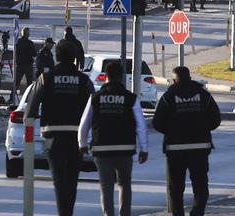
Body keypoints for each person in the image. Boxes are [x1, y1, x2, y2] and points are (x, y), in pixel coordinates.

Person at [27, 40, 95, 216]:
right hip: (76, 134)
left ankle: (62, 213)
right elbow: (94, 105)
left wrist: (31, 118)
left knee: (58, 179)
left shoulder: (46, 77)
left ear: (56, 56)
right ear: (74, 58)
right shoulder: (84, 79)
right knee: (72, 179)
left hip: (52, 133)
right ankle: (68, 213)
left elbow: (32, 106)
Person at [78, 61, 149, 216]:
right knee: (125, 184)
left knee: (106, 186)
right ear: (121, 77)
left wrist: (82, 143)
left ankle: (108, 214)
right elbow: (141, 125)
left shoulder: (95, 98)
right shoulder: (130, 98)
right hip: (125, 149)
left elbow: (84, 123)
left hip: (101, 149)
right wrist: (144, 148)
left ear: (106, 76)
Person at [153, 66, 222, 216]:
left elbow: (157, 122)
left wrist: (172, 132)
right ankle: (197, 212)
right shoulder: (203, 95)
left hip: (175, 149)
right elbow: (216, 118)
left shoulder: (168, 97)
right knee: (200, 186)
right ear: (190, 78)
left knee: (175, 189)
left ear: (174, 80)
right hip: (200, 147)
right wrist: (203, 129)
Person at [12, 27, 37, 103]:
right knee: (29, 83)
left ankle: (11, 97)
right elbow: (34, 54)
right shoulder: (29, 43)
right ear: (27, 34)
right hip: (28, 64)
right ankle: (28, 99)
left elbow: (15, 53)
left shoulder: (17, 42)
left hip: (19, 65)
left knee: (16, 82)